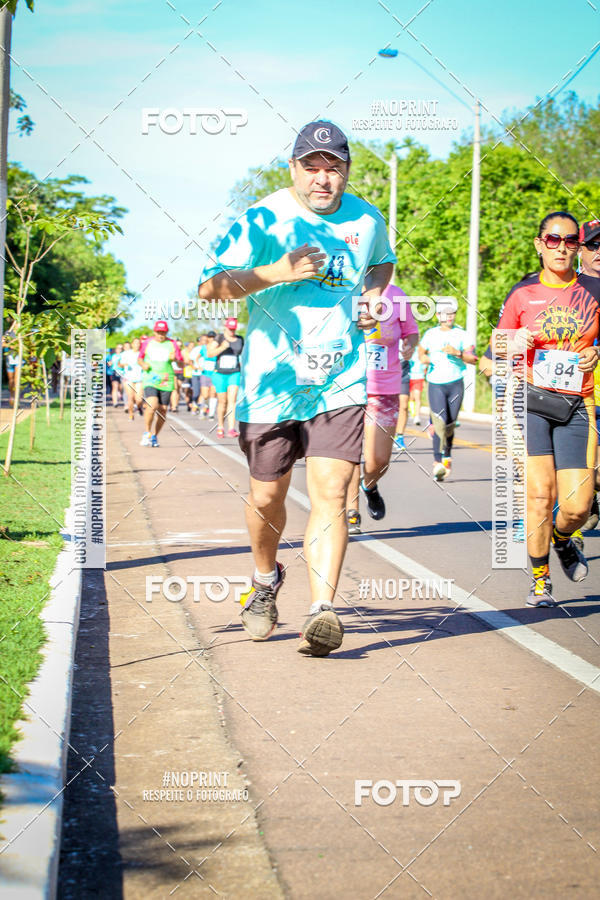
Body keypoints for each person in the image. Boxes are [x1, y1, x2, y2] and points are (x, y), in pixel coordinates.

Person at [198, 119, 395, 655]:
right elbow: (210, 288)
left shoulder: (367, 219)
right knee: (268, 496)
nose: (323, 178)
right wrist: (276, 272)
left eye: (334, 168)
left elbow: (382, 263)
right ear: (293, 169)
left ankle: (321, 610)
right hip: (272, 381)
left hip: (340, 377)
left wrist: (374, 294)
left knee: (332, 492)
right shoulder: (262, 218)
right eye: (312, 167)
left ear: (347, 171)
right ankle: (265, 579)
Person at [490, 211, 600, 607]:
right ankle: (540, 580)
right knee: (539, 494)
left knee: (577, 506)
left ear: (577, 247)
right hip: (531, 402)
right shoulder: (522, 293)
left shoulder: (594, 289)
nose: (562, 248)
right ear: (540, 244)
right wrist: (512, 342)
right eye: (553, 240)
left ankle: (562, 537)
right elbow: (495, 348)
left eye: (570, 241)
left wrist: (596, 353)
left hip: (577, 404)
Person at [345, 283, 418, 534]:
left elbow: (411, 331)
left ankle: (369, 485)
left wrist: (410, 345)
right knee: (349, 453)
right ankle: (351, 510)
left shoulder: (396, 295)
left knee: (380, 460)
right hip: (348, 385)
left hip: (385, 386)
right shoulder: (346, 288)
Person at [419, 298, 478, 480]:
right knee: (439, 422)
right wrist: (426, 359)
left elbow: (473, 359)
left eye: (452, 313)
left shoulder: (462, 335)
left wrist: (458, 353)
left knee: (450, 423)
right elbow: (421, 353)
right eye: (445, 313)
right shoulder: (430, 334)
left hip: (455, 383)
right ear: (438, 315)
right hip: (435, 383)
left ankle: (447, 455)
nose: (450, 316)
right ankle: (437, 462)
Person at [578, 219, 600, 531]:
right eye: (593, 245)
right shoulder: (569, 287)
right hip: (580, 394)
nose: (599, 252)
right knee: (588, 472)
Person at [138, 320, 183, 447]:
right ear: (154, 332)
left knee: (163, 411)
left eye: (163, 332)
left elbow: (181, 363)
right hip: (151, 379)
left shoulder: (172, 344)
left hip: (166, 380)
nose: (160, 335)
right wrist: (143, 364)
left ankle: (155, 436)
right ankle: (147, 432)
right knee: (152, 404)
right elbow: (140, 358)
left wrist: (175, 359)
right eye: (158, 332)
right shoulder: (148, 342)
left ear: (167, 332)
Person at [206, 318, 244, 438]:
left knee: (232, 400)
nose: (232, 331)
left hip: (234, 373)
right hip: (220, 374)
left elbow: (244, 354)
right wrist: (222, 347)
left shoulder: (240, 339)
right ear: (225, 328)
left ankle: (231, 428)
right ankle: (220, 427)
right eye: (230, 329)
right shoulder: (219, 338)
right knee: (222, 401)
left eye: (233, 329)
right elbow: (209, 354)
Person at [119, 338, 144, 419]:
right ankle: (131, 414)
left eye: (138, 343)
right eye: (135, 343)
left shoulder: (142, 353)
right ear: (132, 344)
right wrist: (124, 364)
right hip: (128, 378)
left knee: (139, 399)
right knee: (130, 397)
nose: (137, 345)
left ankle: (139, 407)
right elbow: (120, 364)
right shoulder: (126, 353)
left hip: (140, 378)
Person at [408, 349, 425, 425]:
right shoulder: (408, 349)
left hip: (419, 376)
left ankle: (417, 417)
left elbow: (424, 363)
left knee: (417, 397)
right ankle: (412, 413)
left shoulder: (420, 349)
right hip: (409, 376)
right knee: (411, 397)